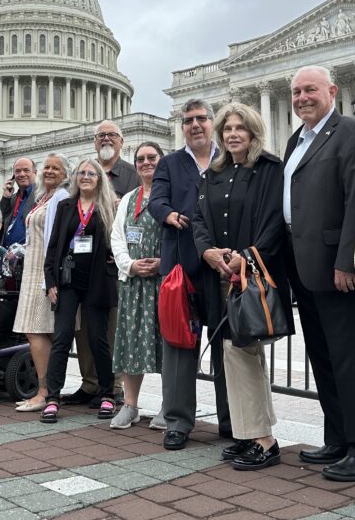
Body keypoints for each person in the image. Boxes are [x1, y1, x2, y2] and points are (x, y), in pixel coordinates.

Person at [283, 66, 355, 482]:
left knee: (348, 360)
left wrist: (348, 259)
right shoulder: (297, 139)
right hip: (301, 263)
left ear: (332, 91)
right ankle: (338, 439)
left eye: (310, 90)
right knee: (322, 359)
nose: (302, 97)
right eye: (296, 92)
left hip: (334, 264)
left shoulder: (352, 132)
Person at [192, 103, 290, 470]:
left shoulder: (268, 169)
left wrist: (247, 256)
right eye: (227, 129)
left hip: (250, 275)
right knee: (232, 355)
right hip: (219, 274)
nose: (233, 134)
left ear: (252, 132)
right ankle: (250, 433)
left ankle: (263, 439)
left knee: (245, 354)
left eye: (240, 128)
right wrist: (208, 252)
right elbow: (199, 220)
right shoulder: (212, 174)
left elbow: (274, 220)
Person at [147, 99, 232, 448]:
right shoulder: (169, 162)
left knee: (228, 344)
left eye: (201, 119)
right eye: (188, 120)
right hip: (181, 265)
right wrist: (167, 214)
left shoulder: (226, 157)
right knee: (179, 345)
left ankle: (233, 420)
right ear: (181, 126)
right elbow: (155, 200)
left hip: (221, 266)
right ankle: (179, 421)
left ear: (212, 123)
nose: (195, 125)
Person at [63, 120, 135, 408]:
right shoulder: (84, 174)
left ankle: (113, 384)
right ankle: (89, 382)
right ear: (94, 142)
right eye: (101, 135)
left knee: (110, 328)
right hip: (83, 267)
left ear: (121, 140)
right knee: (84, 330)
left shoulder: (130, 175)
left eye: (112, 135)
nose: (106, 139)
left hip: (113, 266)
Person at [41, 158, 118, 424]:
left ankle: (107, 392)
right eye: (81, 173)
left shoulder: (109, 207)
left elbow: (118, 241)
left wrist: (115, 260)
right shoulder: (64, 206)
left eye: (91, 173)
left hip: (98, 281)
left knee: (99, 339)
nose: (85, 177)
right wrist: (50, 279)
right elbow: (53, 246)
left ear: (100, 179)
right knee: (62, 338)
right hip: (67, 280)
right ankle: (52, 397)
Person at [108, 142, 165, 429]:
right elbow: (117, 236)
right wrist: (129, 264)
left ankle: (170, 405)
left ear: (161, 160)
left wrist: (163, 261)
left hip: (164, 281)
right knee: (130, 343)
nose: (145, 163)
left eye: (151, 157)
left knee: (168, 342)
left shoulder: (172, 194)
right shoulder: (129, 198)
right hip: (133, 281)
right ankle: (130, 405)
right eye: (140, 159)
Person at [12, 154, 70, 411]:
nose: (49, 171)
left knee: (37, 329)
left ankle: (44, 391)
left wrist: (51, 277)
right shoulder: (42, 198)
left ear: (65, 174)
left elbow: (59, 238)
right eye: (46, 167)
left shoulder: (61, 198)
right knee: (39, 330)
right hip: (33, 267)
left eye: (55, 168)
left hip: (44, 270)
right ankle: (47, 389)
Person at [1, 158, 37, 246]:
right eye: (17, 171)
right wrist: (5, 198)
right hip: (7, 253)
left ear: (35, 173)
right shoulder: (12, 199)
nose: (22, 174)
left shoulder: (40, 196)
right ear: (13, 177)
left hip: (28, 252)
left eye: (26, 170)